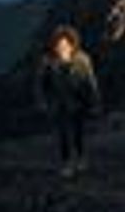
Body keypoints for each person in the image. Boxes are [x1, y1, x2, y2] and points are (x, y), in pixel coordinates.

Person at [34, 25, 102, 179]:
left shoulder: (83, 59)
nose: (61, 48)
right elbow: (40, 84)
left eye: (65, 45)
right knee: (63, 135)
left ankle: (80, 158)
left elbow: (90, 82)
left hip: (78, 103)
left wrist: (95, 101)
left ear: (72, 44)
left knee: (78, 133)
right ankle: (66, 164)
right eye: (58, 45)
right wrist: (43, 102)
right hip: (59, 105)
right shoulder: (48, 62)